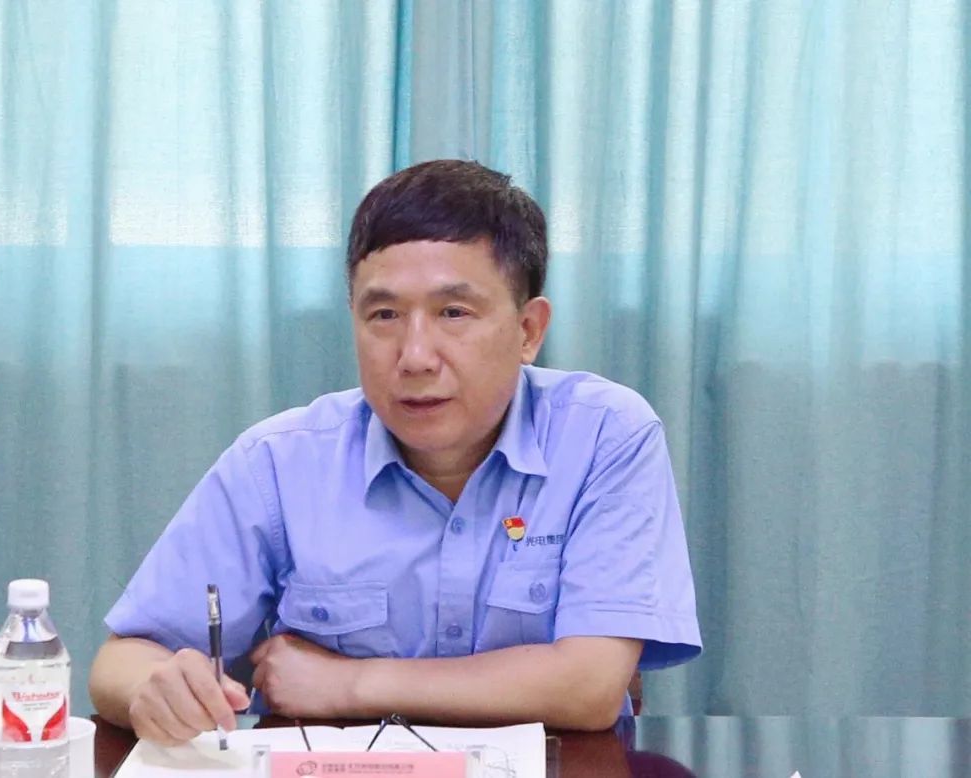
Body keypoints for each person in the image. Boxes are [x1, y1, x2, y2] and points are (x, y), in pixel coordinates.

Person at [88, 159, 701, 746]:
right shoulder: (279, 461)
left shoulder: (605, 436)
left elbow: (589, 686)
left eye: (453, 312)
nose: (414, 357)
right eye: (383, 315)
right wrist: (156, 690)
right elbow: (120, 663)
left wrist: (348, 685)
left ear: (528, 330)